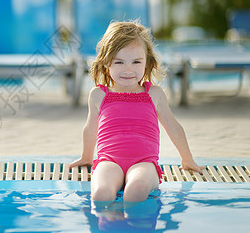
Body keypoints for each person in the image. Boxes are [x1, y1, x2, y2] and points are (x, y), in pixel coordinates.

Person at [70, 20, 204, 204]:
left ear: (147, 62)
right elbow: (90, 129)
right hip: (109, 162)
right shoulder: (99, 95)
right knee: (101, 194)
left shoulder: (154, 94)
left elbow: (173, 126)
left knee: (135, 191)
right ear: (106, 62)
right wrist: (86, 157)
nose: (128, 69)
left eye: (136, 62)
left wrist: (187, 159)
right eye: (119, 62)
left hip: (144, 163)